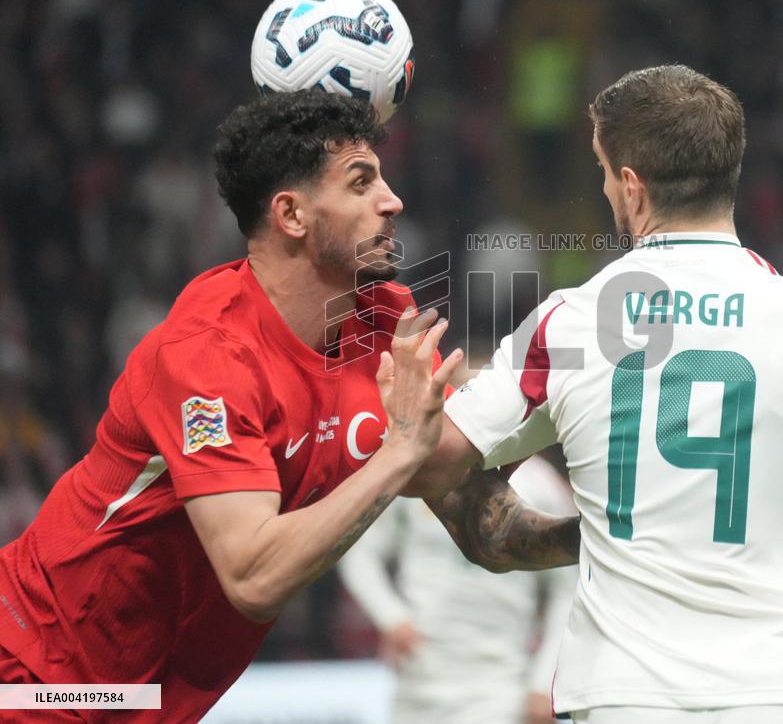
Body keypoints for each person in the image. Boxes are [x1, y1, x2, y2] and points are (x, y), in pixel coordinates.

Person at [0, 91, 575, 723]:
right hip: (35, 675)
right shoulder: (207, 356)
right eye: (361, 183)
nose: (392, 201)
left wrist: (601, 535)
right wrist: (398, 453)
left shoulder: (383, 323)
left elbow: (473, 515)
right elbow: (253, 578)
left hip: (143, 704)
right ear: (292, 214)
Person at [413, 65, 783, 724]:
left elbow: (432, 461)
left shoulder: (574, 323)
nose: (604, 189)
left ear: (632, 187)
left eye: (604, 173)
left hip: (626, 695)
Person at [339, 453, 576, 724]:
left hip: (500, 687)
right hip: (416, 685)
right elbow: (359, 553)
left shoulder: (541, 485)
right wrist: (390, 617)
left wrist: (542, 682)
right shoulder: (423, 472)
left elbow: (567, 592)